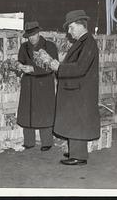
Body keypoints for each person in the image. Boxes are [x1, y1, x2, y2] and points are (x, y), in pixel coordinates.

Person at [50, 10, 100, 165]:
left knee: (77, 122)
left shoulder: (88, 43)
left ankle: (79, 157)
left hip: (80, 91)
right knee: (74, 121)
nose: (69, 32)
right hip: (77, 89)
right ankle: (75, 152)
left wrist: (59, 67)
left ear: (81, 25)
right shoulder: (83, 42)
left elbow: (80, 68)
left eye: (71, 27)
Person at [16, 21, 58, 151]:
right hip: (28, 84)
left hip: (44, 84)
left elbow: (52, 67)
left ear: (39, 33)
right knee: (27, 112)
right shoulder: (23, 47)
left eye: (33, 35)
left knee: (44, 113)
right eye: (29, 36)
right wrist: (18, 66)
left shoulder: (50, 46)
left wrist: (33, 69)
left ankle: (46, 142)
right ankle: (29, 142)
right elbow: (20, 61)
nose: (31, 38)